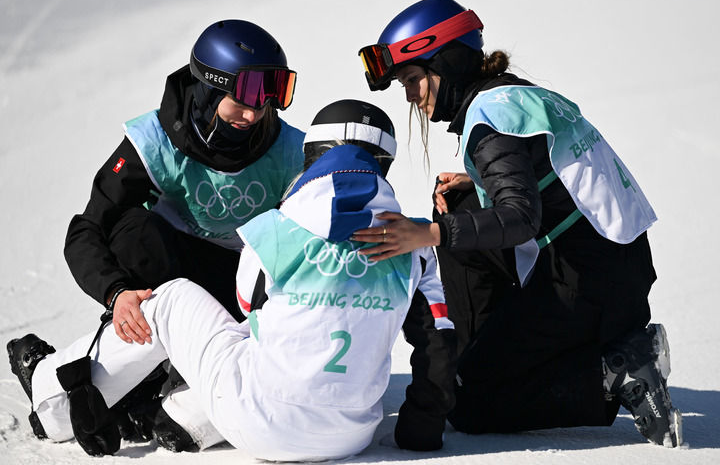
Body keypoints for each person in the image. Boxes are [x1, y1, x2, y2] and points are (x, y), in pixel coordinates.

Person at [7, 99, 457, 460]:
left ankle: (53, 399)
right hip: (351, 435)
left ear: (315, 156)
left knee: (176, 301)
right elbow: (436, 338)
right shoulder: (413, 244)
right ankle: (181, 417)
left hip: (259, 422)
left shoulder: (276, 230)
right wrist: (421, 429)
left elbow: (245, 304)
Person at [353, 0, 682, 447]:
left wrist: (425, 235)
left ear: (445, 62)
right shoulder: (517, 95)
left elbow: (520, 217)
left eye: (412, 79)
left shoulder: (488, 118)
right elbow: (550, 174)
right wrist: (477, 181)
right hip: (614, 266)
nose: (409, 95)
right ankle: (481, 357)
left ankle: (614, 371)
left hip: (586, 286)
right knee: (458, 207)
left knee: (469, 405)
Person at [49, 19, 304, 446]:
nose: (254, 113)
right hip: (164, 278)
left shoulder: (289, 151)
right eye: (243, 98)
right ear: (208, 88)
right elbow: (88, 228)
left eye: (267, 99)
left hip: (238, 283)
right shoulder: (155, 141)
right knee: (133, 229)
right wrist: (116, 293)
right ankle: (135, 369)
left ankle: (180, 388)